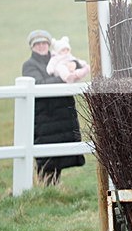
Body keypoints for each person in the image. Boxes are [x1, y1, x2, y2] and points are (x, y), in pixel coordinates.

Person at [21, 30, 85, 186]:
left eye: (44, 43)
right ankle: (46, 189)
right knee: (46, 158)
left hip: (61, 115)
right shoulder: (29, 65)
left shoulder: (57, 57)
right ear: (32, 47)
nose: (41, 46)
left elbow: (76, 63)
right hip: (45, 117)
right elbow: (39, 84)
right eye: (37, 44)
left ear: (49, 44)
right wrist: (64, 77)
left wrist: (73, 65)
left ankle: (53, 191)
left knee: (59, 155)